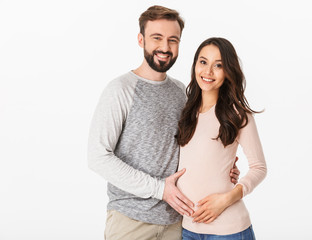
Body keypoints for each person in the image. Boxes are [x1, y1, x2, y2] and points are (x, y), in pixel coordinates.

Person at [87, 6, 239, 240]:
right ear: (141, 40)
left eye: (173, 40)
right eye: (157, 38)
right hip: (131, 222)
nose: (165, 47)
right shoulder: (120, 90)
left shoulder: (182, 92)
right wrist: (159, 190)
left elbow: (190, 146)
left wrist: (221, 165)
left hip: (178, 222)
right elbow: (98, 157)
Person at [176, 37, 267, 240]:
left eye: (218, 65)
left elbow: (259, 167)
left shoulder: (237, 114)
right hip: (189, 229)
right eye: (203, 62)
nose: (208, 72)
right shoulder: (186, 112)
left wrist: (226, 200)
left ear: (228, 71)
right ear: (194, 66)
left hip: (229, 231)